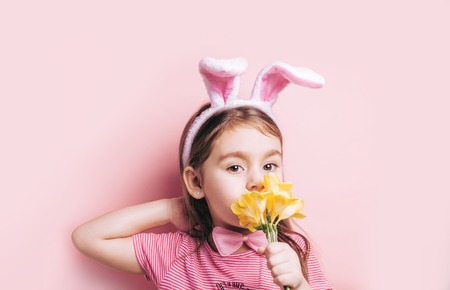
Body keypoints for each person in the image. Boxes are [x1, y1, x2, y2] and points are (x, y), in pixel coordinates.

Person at [72, 57, 333, 290]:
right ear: (197, 181)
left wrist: (299, 285)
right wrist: (171, 209)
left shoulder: (295, 252)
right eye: (235, 167)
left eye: (269, 166)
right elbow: (88, 238)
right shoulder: (175, 253)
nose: (257, 182)